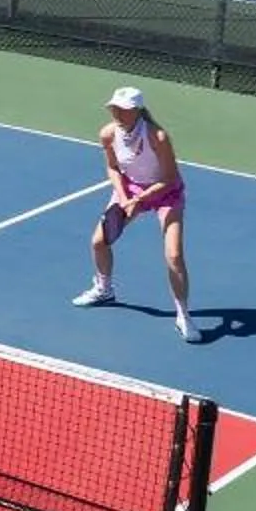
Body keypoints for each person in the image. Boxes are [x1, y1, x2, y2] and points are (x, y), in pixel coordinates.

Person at [75, 86, 196, 341]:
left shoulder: (158, 137)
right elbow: (113, 169)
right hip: (130, 190)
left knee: (174, 255)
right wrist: (123, 196)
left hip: (166, 193)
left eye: (123, 109)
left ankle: (183, 316)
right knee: (98, 242)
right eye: (114, 108)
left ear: (137, 111)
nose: (116, 113)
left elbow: (171, 178)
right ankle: (104, 289)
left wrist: (140, 199)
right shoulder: (108, 134)